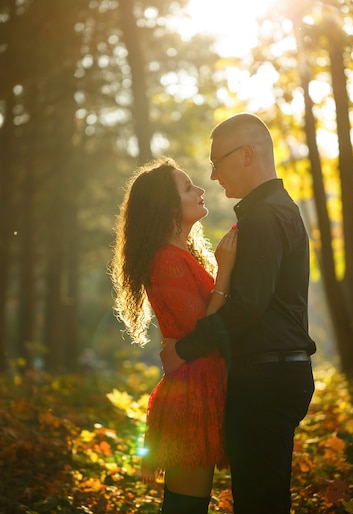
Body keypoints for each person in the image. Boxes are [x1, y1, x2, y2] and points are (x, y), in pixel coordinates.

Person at [161, 113, 316, 514]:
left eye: (217, 162)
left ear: (246, 154)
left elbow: (247, 307)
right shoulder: (268, 212)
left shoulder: (266, 217)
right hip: (270, 373)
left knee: (260, 502)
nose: (212, 176)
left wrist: (187, 349)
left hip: (268, 377)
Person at [111, 157, 237, 514]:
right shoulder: (166, 260)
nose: (199, 190)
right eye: (187, 187)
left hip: (203, 383)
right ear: (167, 206)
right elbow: (206, 331)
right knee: (186, 507)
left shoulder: (181, 254)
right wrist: (226, 270)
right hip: (190, 394)